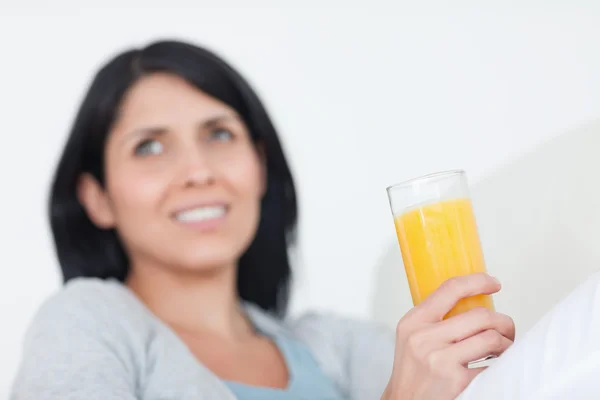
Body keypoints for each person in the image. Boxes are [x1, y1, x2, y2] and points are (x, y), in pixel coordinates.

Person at [11, 39, 521, 400]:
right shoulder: (86, 323)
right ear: (96, 197)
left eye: (219, 135)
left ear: (259, 167)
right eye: (149, 146)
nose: (198, 171)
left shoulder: (338, 346)